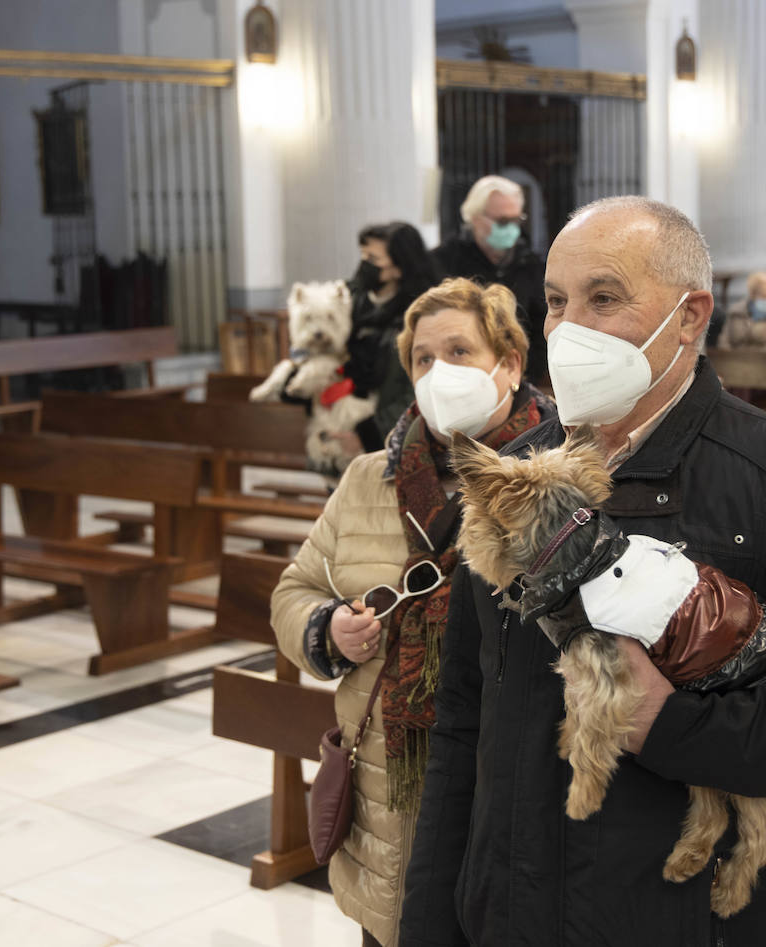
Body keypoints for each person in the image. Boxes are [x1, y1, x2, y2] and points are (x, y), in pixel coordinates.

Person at [400, 196, 766, 946]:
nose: (567, 328)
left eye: (604, 298)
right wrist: (434, 921)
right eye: (556, 301)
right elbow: (464, 719)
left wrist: (671, 723)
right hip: (512, 912)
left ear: (689, 317)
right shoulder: (515, 474)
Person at [271, 277, 555, 947]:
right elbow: (294, 589)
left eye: (460, 350)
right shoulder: (369, 477)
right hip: (388, 808)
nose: (440, 372)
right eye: (423, 360)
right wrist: (327, 629)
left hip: (509, 800)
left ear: (509, 363)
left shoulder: (557, 477)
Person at [433, 175, 549, 384]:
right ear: (475, 217)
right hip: (460, 377)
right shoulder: (442, 262)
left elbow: (542, 323)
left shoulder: (530, 263)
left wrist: (525, 373)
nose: (512, 229)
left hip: (520, 378)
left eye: (516, 220)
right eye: (503, 221)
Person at [347, 222, 442, 451]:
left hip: (393, 437)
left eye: (373, 259)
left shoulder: (422, 316)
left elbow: (418, 390)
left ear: (399, 267)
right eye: (362, 255)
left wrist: (367, 433)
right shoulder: (352, 302)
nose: (364, 265)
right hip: (346, 423)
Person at [716, 270, 766, 353]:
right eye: (764, 296)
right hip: (732, 361)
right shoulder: (735, 312)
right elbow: (724, 341)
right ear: (753, 295)